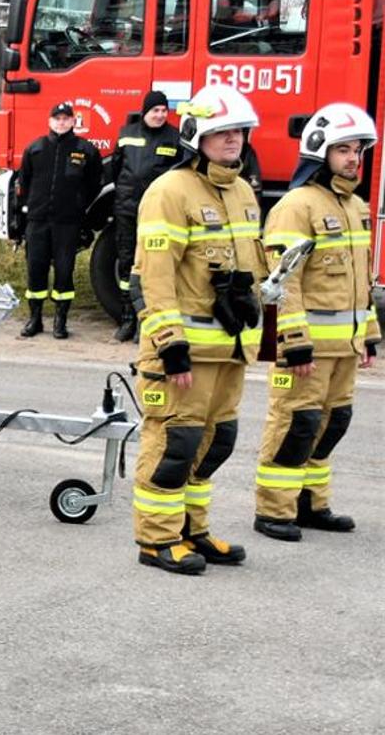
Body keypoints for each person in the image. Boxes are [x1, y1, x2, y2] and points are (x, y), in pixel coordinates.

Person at [129, 84, 267, 575]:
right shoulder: (169, 191)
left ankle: (192, 530)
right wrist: (171, 348)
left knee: (215, 443)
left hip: (228, 351)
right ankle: (157, 540)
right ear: (197, 137)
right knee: (174, 445)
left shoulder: (244, 191)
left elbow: (252, 266)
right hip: (182, 355)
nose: (233, 140)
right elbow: (153, 275)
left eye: (238, 132)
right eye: (221, 132)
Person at [251, 102, 381, 542]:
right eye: (342, 149)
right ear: (318, 151)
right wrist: (292, 341)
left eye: (357, 151)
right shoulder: (296, 206)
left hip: (344, 345)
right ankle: (273, 511)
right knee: (295, 424)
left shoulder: (356, 206)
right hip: (303, 346)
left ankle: (311, 503)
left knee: (332, 423)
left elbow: (363, 278)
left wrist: (370, 334)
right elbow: (282, 282)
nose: (352, 159)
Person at [11, 102, 102, 339]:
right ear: (50, 121)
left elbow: (94, 184)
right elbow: (23, 184)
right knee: (36, 270)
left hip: (67, 223)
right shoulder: (35, 149)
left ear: (73, 121)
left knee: (64, 271)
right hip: (38, 221)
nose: (61, 122)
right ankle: (35, 319)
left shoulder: (86, 150)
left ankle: (60, 322)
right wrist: (21, 217)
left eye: (66, 118)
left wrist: (79, 205)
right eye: (57, 118)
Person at [107, 91, 182, 342]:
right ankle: (127, 319)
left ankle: (146, 323)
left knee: (155, 267)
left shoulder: (175, 138)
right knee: (128, 265)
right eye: (155, 111)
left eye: (163, 110)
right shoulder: (127, 134)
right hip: (127, 210)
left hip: (158, 214)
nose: (160, 115)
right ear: (145, 112)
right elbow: (116, 168)